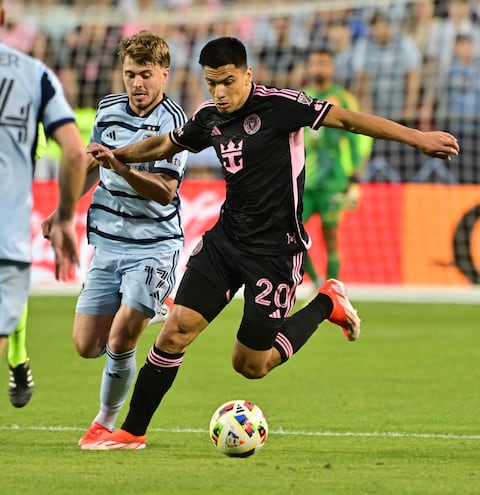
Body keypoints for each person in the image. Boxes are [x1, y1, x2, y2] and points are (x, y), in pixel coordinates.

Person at [86, 37, 459, 450]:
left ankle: (326, 304)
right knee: (175, 332)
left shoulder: (281, 106)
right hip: (225, 243)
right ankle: (132, 431)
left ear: (247, 74)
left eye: (227, 82)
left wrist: (417, 138)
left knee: (250, 365)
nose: (220, 93)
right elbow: (164, 144)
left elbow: (350, 121)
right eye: (212, 84)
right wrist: (117, 155)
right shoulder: (208, 118)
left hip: (276, 253)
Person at [43, 30, 188, 449]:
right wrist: (64, 210)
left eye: (145, 74)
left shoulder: (174, 123)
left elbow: (165, 191)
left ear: (164, 74)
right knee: (87, 345)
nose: (137, 84)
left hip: (154, 244)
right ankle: (156, 304)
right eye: (129, 75)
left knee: (122, 336)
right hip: (108, 242)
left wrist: (122, 168)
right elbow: (95, 167)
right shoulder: (107, 109)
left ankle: (107, 425)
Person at [0, 0, 87, 406]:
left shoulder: (34, 77)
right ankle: (17, 359)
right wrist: (67, 217)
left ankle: (19, 361)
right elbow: (72, 149)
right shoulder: (34, 76)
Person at [302, 47, 372, 287]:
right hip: (305, 181)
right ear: (308, 67)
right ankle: (315, 283)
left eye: (324, 64)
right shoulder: (302, 98)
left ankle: (332, 291)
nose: (319, 69)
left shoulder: (344, 99)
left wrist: (354, 178)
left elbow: (359, 140)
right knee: (291, 235)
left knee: (330, 237)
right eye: (315, 63)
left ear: (332, 68)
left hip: (334, 180)